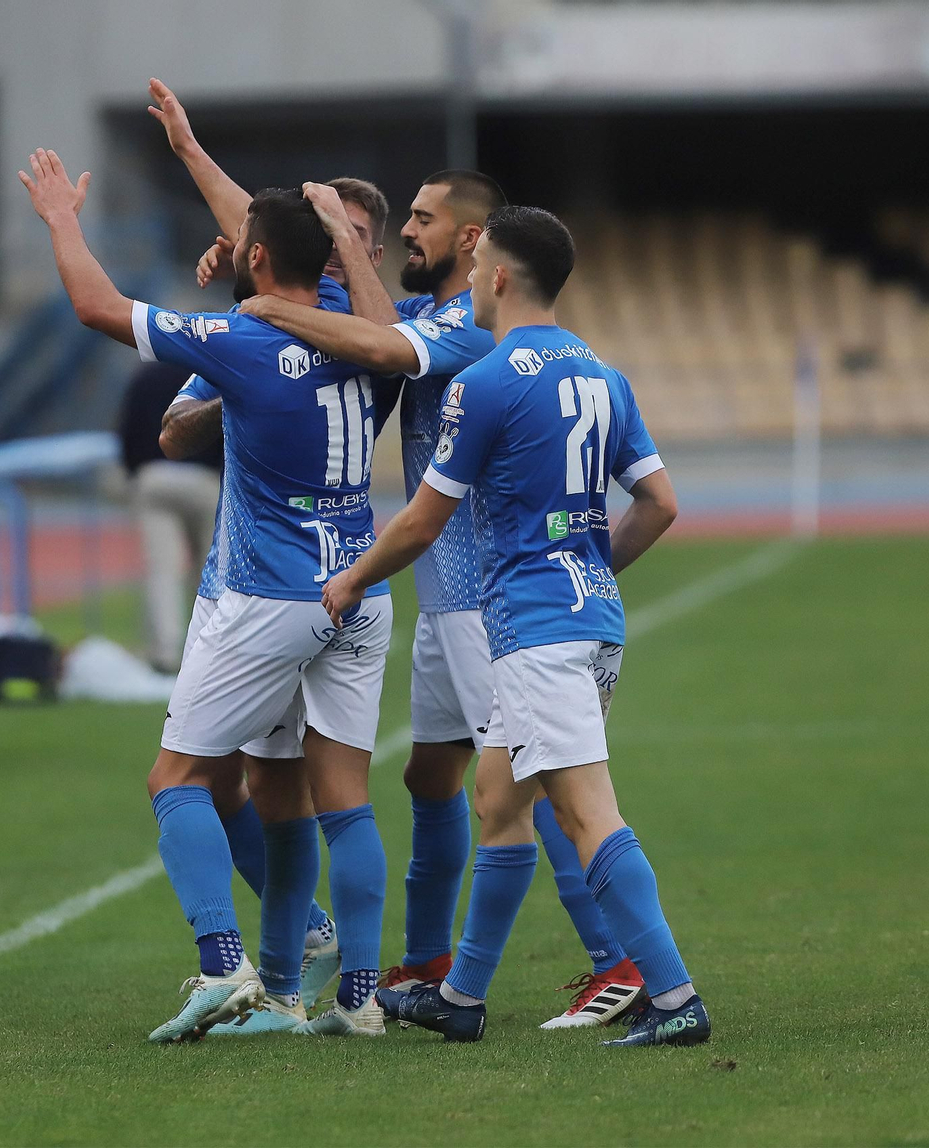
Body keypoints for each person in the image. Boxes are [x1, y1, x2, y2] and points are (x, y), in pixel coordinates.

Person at [245, 172, 647, 1028]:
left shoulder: (478, 327)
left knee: (530, 788)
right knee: (432, 772)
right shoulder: (444, 315)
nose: (410, 232)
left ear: (476, 246)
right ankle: (429, 959)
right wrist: (196, 154)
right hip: (447, 604)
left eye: (423, 219)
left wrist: (282, 300)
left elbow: (381, 346)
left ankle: (618, 964)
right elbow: (364, 314)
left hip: (483, 600)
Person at [21, 150, 393, 1039]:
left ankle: (221, 965)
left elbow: (97, 307)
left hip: (268, 594)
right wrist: (192, 151)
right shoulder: (370, 326)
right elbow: (282, 245)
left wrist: (61, 220)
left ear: (253, 259)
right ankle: (345, 997)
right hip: (358, 585)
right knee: (326, 798)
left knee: (176, 779)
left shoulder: (243, 340)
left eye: (243, 246)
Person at [321, 206, 708, 1048]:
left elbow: (423, 523)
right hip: (589, 618)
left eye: (476, 266)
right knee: (497, 797)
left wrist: (349, 579)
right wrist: (593, 573)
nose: (466, 282)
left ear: (497, 276)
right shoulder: (605, 376)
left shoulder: (487, 381)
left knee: (588, 815)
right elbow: (661, 502)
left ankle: (675, 999)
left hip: (536, 630)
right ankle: (460, 999)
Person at [118, 360, 221, 673]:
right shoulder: (211, 372)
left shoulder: (146, 375)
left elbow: (127, 431)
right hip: (205, 479)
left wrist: (137, 472)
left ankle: (165, 653)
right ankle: (212, 650)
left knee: (163, 569)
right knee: (212, 569)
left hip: (155, 476)